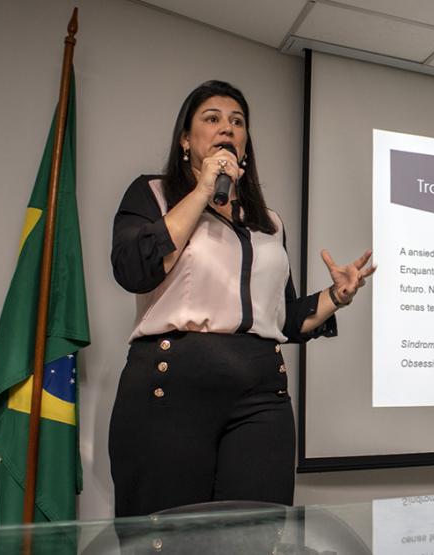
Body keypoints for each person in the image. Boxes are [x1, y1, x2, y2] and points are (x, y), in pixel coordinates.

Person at [108, 80, 373, 517]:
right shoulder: (152, 195)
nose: (226, 128)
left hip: (260, 399)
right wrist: (201, 191)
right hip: (171, 387)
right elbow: (134, 270)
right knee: (169, 540)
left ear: (246, 142)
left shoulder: (268, 222)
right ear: (185, 140)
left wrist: (335, 296)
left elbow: (282, 321)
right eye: (211, 119)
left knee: (256, 534)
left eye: (237, 121)